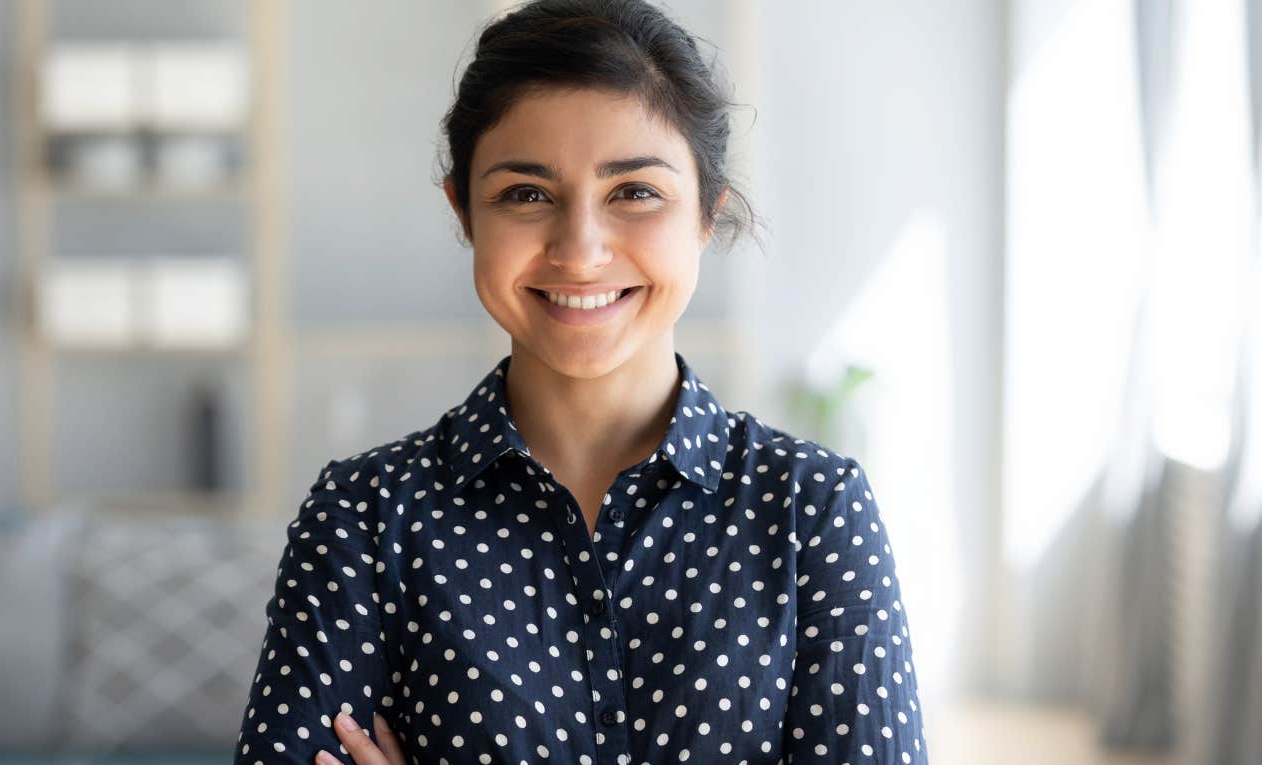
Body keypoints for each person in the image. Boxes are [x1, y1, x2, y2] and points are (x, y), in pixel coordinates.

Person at [232, 0, 930, 762]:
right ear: (464, 211)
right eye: (527, 194)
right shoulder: (362, 520)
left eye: (634, 192)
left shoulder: (812, 514)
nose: (580, 250)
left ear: (706, 213)